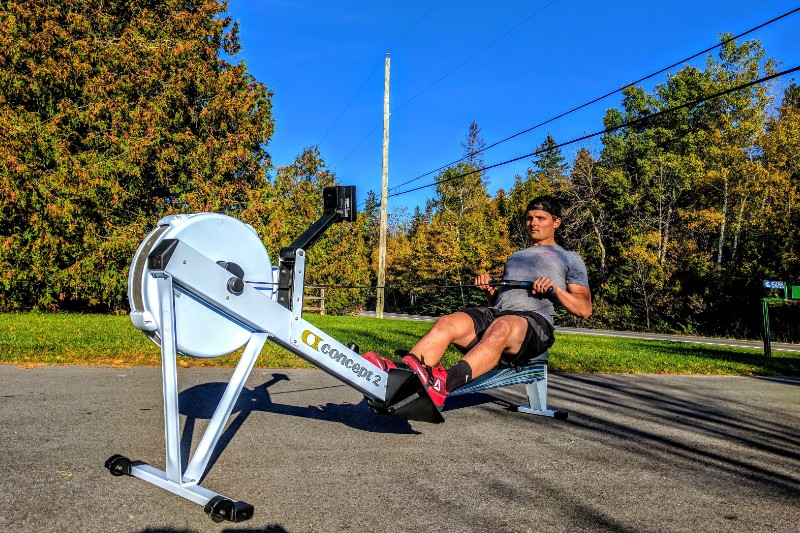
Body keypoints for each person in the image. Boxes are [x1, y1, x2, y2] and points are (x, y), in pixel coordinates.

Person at [364, 196, 592, 410]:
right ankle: (399, 377)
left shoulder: (569, 257)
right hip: (499, 314)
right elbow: (501, 301)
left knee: (502, 326)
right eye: (529, 218)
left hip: (534, 325)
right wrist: (490, 291)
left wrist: (555, 289)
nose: (533, 223)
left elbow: (584, 309)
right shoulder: (516, 256)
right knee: (447, 322)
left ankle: (442, 386)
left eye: (540, 218)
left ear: (557, 222)